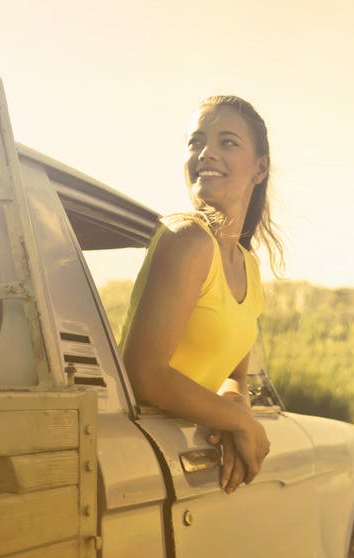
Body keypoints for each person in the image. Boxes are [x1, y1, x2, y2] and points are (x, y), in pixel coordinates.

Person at [120, 95, 282, 494]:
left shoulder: (249, 266)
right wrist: (240, 422)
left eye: (227, 142)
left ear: (260, 168)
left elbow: (234, 374)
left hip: (185, 458)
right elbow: (145, 375)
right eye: (196, 142)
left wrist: (234, 406)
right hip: (139, 456)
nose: (206, 153)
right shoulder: (187, 239)